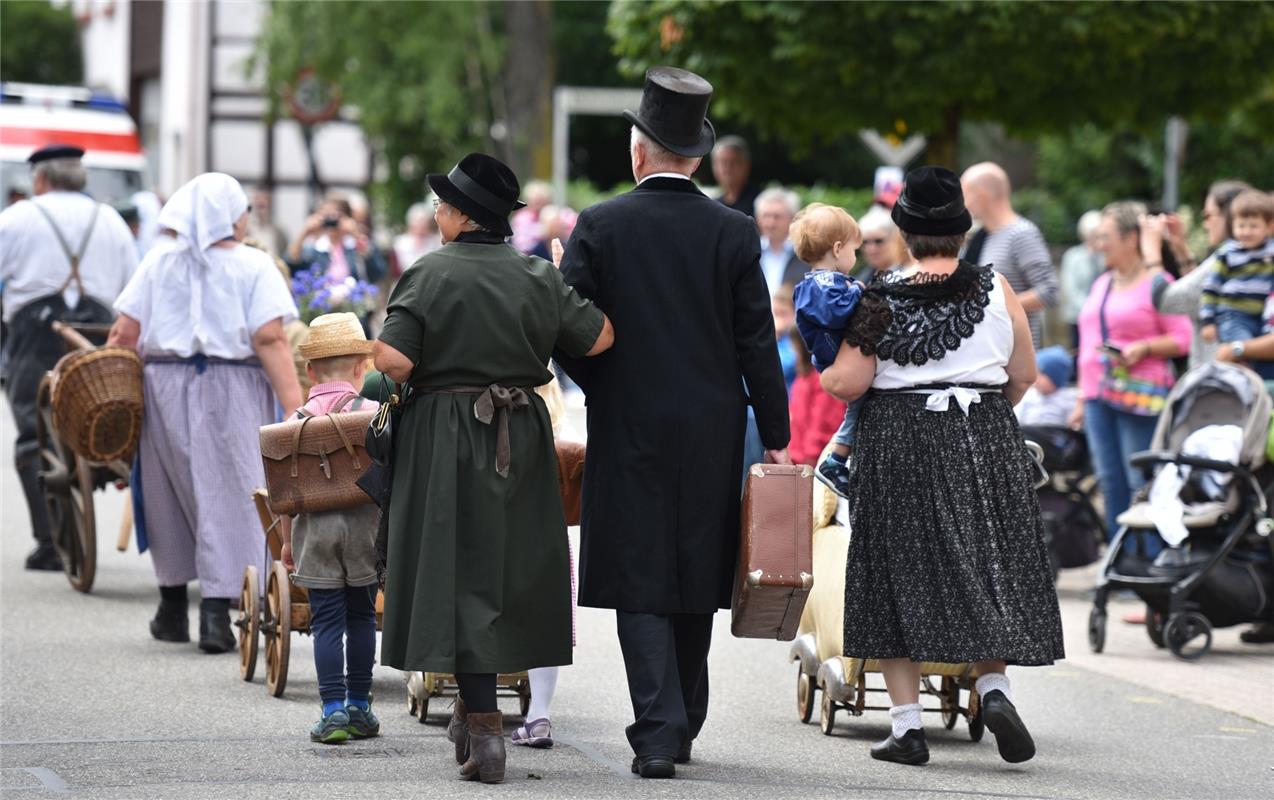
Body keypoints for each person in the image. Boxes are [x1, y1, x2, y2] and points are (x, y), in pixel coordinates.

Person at [556, 66, 791, 781]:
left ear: (638, 153)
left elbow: (568, 329)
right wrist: (775, 431)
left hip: (630, 420)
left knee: (639, 572)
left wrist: (604, 385)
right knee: (697, 566)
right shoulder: (733, 230)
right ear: (695, 157)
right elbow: (757, 338)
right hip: (714, 425)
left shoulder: (599, 224)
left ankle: (659, 728)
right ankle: (681, 716)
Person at [373, 152, 614, 785]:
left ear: (459, 215)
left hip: (449, 434)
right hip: (524, 434)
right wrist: (562, 287)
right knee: (506, 568)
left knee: (458, 571)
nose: (436, 213)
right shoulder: (537, 275)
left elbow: (394, 362)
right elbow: (600, 339)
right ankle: (473, 708)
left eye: (441, 204)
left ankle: (485, 731)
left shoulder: (428, 274)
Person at [821, 166, 1064, 767]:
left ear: (903, 231)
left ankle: (907, 727)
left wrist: (826, 370)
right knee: (986, 562)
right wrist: (984, 419)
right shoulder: (997, 286)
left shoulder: (878, 298)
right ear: (962, 231)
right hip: (982, 430)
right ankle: (993, 689)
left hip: (900, 436)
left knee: (892, 570)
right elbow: (1025, 374)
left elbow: (849, 383)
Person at [107, 172, 303, 652]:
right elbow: (270, 338)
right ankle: (216, 614)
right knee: (232, 492)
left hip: (163, 387)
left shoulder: (157, 262)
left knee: (166, 491)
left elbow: (122, 336)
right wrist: (299, 408)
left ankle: (172, 608)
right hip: (231, 384)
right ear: (231, 217)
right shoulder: (253, 266)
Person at [0, 144, 138, 571]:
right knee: (95, 415)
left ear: (40, 179)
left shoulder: (17, 217)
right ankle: (101, 449)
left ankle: (49, 539)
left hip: (35, 330)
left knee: (31, 429)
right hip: (96, 334)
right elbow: (131, 290)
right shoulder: (111, 220)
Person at [278, 312, 381, 744]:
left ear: (309, 371)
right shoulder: (374, 414)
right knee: (361, 616)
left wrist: (286, 543)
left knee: (326, 623)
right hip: (366, 532)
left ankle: (332, 710)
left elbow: (283, 493)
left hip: (315, 533)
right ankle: (360, 704)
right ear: (362, 367)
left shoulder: (294, 422)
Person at [1068, 202, 1192, 547]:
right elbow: (1090, 342)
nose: (1098, 244)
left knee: (1142, 480)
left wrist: (1143, 348)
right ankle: (1120, 564)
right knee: (1109, 482)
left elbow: (1183, 338)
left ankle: (1150, 564)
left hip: (1139, 394)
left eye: (1105, 237)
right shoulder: (1102, 282)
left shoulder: (1158, 282)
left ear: (1131, 238)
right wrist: (1081, 396)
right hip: (1097, 395)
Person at [789, 203, 866, 499]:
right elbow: (836, 313)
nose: (855, 257)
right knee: (860, 404)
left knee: (858, 406)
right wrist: (859, 290)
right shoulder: (824, 283)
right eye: (853, 250)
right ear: (837, 249)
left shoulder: (819, 283)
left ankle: (840, 457)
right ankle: (836, 460)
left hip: (833, 357)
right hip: (835, 357)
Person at [1145, 180, 1255, 368]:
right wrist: (1180, 249)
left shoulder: (1229, 256)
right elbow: (1201, 297)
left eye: (1208, 215)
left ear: (1227, 216)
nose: (1205, 224)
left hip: (1218, 381)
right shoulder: (1252, 256)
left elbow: (1164, 300)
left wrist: (1151, 251)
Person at [961, 162, 1059, 348]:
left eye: (965, 194)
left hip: (1016, 355)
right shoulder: (982, 236)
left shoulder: (1022, 234)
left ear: (981, 194)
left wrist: (990, 306)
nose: (964, 204)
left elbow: (1049, 291)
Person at [1198, 190, 1274, 379]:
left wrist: (1237, 349)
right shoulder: (1228, 252)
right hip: (1233, 314)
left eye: (1253, 226)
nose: (1247, 232)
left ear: (1268, 226)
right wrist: (1208, 320)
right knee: (1244, 365)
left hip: (1255, 315)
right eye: (1242, 226)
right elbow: (1210, 287)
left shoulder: (1269, 251)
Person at [287, 193, 387, 284]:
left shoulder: (354, 246)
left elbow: (377, 273)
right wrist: (305, 232)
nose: (331, 221)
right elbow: (290, 266)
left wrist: (356, 233)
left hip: (352, 301)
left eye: (336, 216)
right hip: (321, 301)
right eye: (326, 215)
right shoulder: (314, 248)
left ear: (347, 218)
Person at [786, 328, 847, 466]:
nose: (793, 354)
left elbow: (824, 422)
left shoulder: (821, 380)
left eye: (795, 348)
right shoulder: (802, 377)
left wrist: (811, 455)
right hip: (797, 456)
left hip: (811, 460)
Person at [1059, 210, 1105, 349]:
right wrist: (1088, 310)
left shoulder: (1106, 256)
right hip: (1078, 316)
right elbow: (1070, 288)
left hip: (1102, 315)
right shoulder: (1073, 256)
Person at [755, 187, 810, 296]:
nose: (770, 222)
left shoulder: (805, 254)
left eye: (777, 216)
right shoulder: (750, 251)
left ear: (792, 219)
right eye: (766, 216)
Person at [1015, 346, 1079, 427]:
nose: (1035, 378)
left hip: (1053, 436)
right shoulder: (1027, 397)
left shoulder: (1068, 399)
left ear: (1055, 376)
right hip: (1028, 435)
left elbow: (1072, 427)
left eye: (1040, 373)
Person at [853, 205, 907, 282]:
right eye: (865, 242)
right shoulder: (861, 279)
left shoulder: (910, 275)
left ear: (895, 239)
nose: (871, 249)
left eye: (878, 241)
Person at [711, 135, 759, 217]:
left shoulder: (761, 203)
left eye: (733, 162)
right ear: (714, 166)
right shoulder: (713, 205)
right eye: (723, 162)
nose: (728, 168)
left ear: (746, 165)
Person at [392, 201, 442, 274]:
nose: (422, 224)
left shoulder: (436, 242)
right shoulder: (399, 243)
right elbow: (395, 272)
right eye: (419, 221)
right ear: (410, 222)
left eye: (425, 221)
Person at [511, 179, 553, 254]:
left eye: (542, 199)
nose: (539, 203)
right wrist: (544, 232)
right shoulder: (522, 218)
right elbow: (521, 245)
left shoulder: (552, 215)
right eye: (536, 200)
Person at [246, 187, 288, 257]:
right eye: (257, 199)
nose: (260, 201)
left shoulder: (279, 232)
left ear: (270, 205)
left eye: (262, 206)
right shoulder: (245, 230)